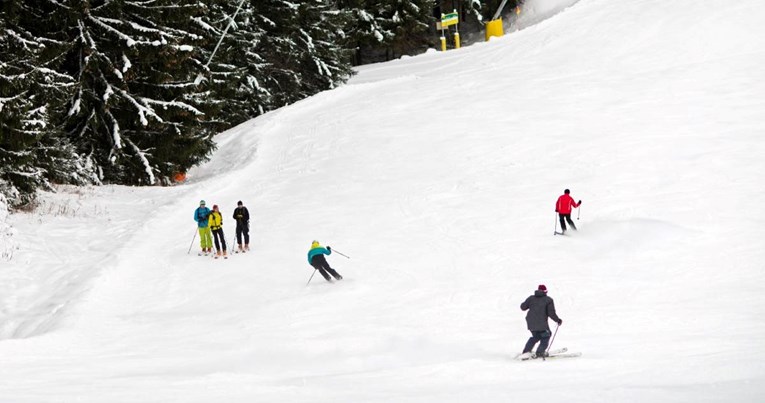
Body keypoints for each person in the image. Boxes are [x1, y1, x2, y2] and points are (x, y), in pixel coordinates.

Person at [520, 284, 563, 359]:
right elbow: (551, 313)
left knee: (536, 336)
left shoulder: (531, 298)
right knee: (546, 335)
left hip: (531, 322)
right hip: (541, 323)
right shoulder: (548, 300)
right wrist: (558, 320)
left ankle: (526, 352)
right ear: (545, 291)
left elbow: (523, 307)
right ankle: (540, 352)